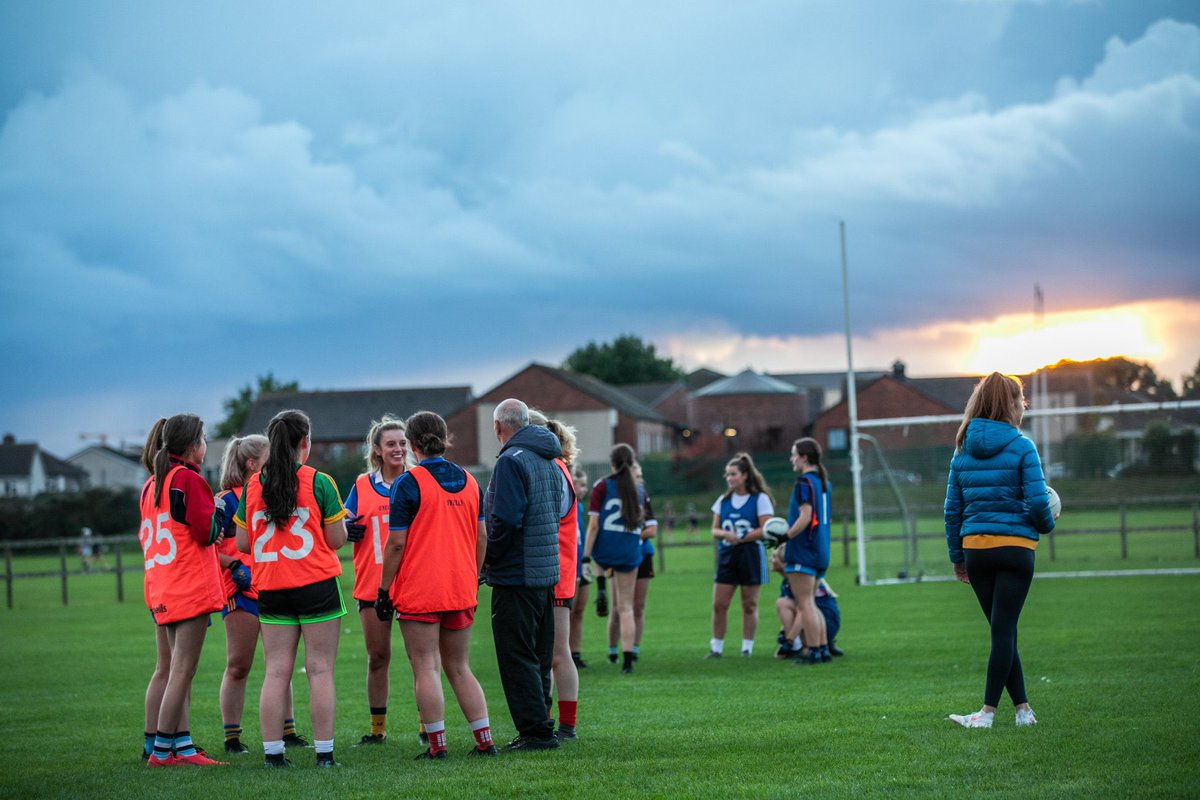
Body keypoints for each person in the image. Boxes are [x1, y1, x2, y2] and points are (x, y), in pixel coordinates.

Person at [374, 411, 496, 759]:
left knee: (425, 666)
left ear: (412, 445)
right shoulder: (471, 481)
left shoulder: (407, 483)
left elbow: (396, 543)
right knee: (459, 666)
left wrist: (384, 590)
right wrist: (471, 576)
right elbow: (482, 536)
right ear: (445, 438)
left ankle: (437, 746)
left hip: (421, 590)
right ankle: (484, 741)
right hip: (460, 588)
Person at [235, 409, 349, 767]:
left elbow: (241, 542)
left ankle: (273, 755)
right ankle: (324, 755)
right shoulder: (320, 481)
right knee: (319, 670)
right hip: (316, 584)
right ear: (305, 442)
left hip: (271, 587)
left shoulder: (254, 484)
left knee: (276, 672)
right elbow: (336, 539)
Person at [944, 372, 1056, 729]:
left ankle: (1023, 710)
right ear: (1011, 405)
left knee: (1001, 630)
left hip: (977, 549)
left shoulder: (962, 449)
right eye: (1020, 400)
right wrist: (1046, 525)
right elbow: (1039, 503)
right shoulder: (1023, 446)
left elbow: (952, 511)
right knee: (1004, 630)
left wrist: (957, 557)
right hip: (1016, 549)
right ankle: (988, 714)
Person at [139, 414, 227, 767]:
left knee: (167, 668)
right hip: (187, 585)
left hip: (160, 584)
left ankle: (175, 746)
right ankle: (163, 753)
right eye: (204, 439)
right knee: (181, 670)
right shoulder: (188, 479)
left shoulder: (151, 484)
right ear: (193, 445)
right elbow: (205, 532)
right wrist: (217, 520)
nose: (205, 445)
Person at [214, 435, 309, 755]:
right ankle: (232, 737)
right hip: (240, 591)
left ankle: (289, 730)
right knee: (239, 664)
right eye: (270, 458)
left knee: (279, 664)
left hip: (273, 585)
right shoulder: (226, 500)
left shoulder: (271, 492)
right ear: (251, 464)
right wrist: (233, 565)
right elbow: (206, 550)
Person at [482, 398, 563, 752]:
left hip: (517, 574)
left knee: (517, 655)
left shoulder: (511, 462)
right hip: (545, 572)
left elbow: (506, 520)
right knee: (539, 654)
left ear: (499, 427)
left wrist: (489, 560)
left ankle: (535, 732)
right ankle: (543, 722)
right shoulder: (549, 459)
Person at [342, 416, 408, 747]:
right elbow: (340, 527)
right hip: (372, 582)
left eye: (402, 443)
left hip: (411, 583)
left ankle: (429, 726)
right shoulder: (362, 485)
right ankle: (377, 728)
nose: (398, 449)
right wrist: (346, 529)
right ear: (378, 450)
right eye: (391, 443)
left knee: (422, 659)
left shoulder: (417, 481)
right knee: (378, 656)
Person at [528, 410, 581, 740]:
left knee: (557, 652)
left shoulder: (554, 468)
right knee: (544, 654)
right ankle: (549, 720)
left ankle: (566, 725)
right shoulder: (553, 466)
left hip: (556, 571)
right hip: (551, 569)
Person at [583, 444, 656, 674]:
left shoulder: (602, 485)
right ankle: (627, 660)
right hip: (629, 551)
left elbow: (594, 525)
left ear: (612, 463)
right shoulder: (639, 490)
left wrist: (586, 557)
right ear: (632, 462)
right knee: (626, 607)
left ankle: (602, 584)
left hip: (605, 551)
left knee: (615, 604)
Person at [707, 453, 772, 658]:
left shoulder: (759, 499)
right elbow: (714, 530)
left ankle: (747, 648)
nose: (729, 478)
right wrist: (726, 534)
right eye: (727, 475)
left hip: (750, 555)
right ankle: (716, 647)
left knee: (749, 604)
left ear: (744, 476)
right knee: (719, 605)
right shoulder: (723, 500)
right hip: (727, 555)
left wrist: (743, 537)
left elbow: (766, 528)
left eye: (733, 474)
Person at [780, 438, 833, 666]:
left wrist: (785, 536)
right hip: (821, 549)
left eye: (794, 454)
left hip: (805, 550)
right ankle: (822, 649)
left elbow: (805, 516)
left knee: (805, 603)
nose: (792, 459)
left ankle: (813, 651)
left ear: (804, 457)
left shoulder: (804, 482)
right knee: (811, 602)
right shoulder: (822, 482)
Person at [603, 460, 657, 668]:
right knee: (617, 607)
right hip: (618, 556)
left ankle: (633, 649)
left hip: (642, 555)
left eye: (637, 470)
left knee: (638, 606)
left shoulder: (642, 495)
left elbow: (651, 529)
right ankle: (612, 650)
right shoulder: (611, 494)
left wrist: (630, 536)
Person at [771, 547, 843, 659]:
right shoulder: (787, 581)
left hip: (827, 622)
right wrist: (783, 633)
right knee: (784, 603)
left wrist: (789, 640)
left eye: (774, 557)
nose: (771, 559)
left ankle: (808, 647)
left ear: (785, 563)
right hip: (817, 619)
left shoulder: (801, 580)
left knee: (784, 603)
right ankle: (812, 646)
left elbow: (802, 611)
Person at [567, 466, 591, 670]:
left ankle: (575, 653)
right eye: (580, 483)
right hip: (569, 567)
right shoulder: (564, 503)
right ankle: (563, 654)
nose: (584, 489)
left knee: (579, 611)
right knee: (567, 611)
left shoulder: (580, 507)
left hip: (581, 564)